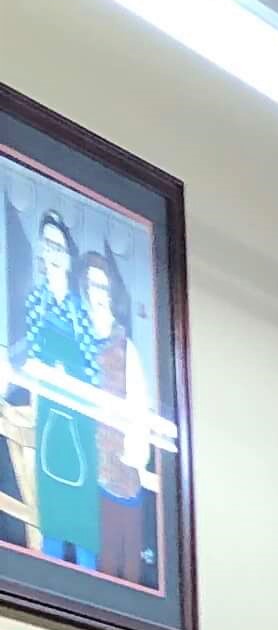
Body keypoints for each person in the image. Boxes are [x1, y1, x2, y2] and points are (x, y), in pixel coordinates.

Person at [13, 209, 103, 569]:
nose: (53, 252)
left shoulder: (82, 310)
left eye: (59, 246)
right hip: (50, 409)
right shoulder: (36, 301)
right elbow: (32, 354)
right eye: (47, 245)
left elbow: (92, 367)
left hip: (80, 415)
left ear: (68, 254)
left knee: (81, 510)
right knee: (53, 504)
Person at [79, 247, 155, 585]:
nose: (98, 295)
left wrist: (133, 455)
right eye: (92, 286)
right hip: (82, 466)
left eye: (103, 287)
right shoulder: (77, 335)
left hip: (120, 472)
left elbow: (140, 408)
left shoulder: (126, 349)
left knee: (120, 565)